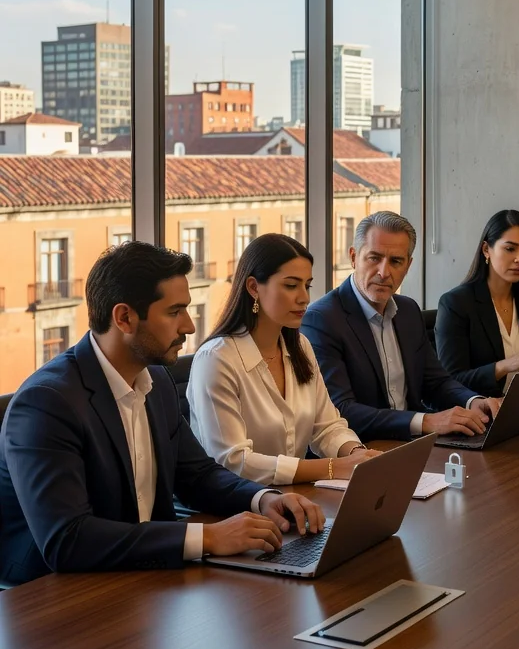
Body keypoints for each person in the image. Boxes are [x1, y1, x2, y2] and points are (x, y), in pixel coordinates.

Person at [0, 242, 324, 586]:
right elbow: (67, 539)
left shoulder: (156, 379)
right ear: (124, 317)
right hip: (54, 597)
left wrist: (263, 499)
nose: (188, 326)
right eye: (175, 312)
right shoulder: (47, 403)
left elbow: (197, 475)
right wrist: (209, 538)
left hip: (146, 575)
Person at [188, 234, 379, 485]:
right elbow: (234, 461)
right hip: (236, 510)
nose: (304, 298)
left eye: (307, 285)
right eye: (291, 285)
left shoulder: (300, 346)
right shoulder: (216, 360)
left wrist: (357, 455)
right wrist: (334, 467)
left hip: (296, 497)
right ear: (254, 287)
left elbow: (327, 427)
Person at [302, 211, 501, 441]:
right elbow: (341, 411)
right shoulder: (321, 320)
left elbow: (435, 382)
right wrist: (426, 421)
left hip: (415, 445)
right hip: (360, 451)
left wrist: (474, 401)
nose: (384, 273)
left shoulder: (407, 311)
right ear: (354, 257)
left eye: (396, 261)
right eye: (374, 258)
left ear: (408, 265)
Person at [435, 210, 519, 398]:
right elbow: (450, 382)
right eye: (510, 249)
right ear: (486, 250)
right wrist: (504, 366)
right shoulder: (456, 304)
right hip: (483, 414)